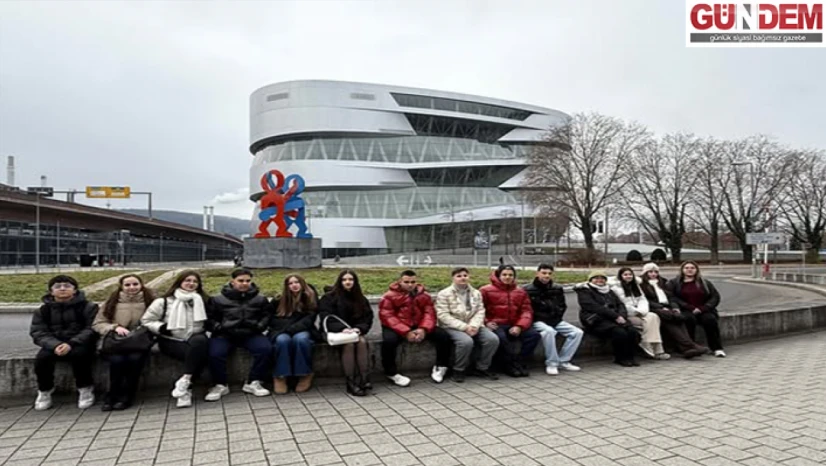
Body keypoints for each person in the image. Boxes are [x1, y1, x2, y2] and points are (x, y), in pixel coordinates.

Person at [141, 270, 210, 408]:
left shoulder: (203, 300)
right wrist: (161, 328)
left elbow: (211, 320)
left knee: (199, 344)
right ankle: (186, 388)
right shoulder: (163, 301)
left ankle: (185, 383)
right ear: (179, 282)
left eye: (195, 281)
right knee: (198, 356)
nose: (191, 284)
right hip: (170, 339)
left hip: (196, 337)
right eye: (187, 281)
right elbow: (146, 320)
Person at [30, 275, 99, 411]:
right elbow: (38, 332)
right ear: (51, 291)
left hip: (79, 343)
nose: (62, 289)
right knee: (42, 359)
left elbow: (92, 329)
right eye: (57, 286)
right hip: (54, 344)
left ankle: (85, 389)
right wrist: (55, 345)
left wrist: (71, 343)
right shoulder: (43, 311)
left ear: (75, 290)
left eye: (67, 286)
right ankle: (45, 391)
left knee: (80, 356)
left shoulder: (89, 307)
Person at [205, 268, 273, 401]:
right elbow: (210, 319)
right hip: (225, 334)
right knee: (215, 353)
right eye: (240, 280)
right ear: (232, 281)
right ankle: (220, 384)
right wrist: (219, 328)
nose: (244, 283)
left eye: (247, 281)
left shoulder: (260, 299)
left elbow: (266, 315)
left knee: (266, 349)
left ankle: (254, 381)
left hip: (251, 333)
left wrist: (259, 326)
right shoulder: (218, 299)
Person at [93, 274, 156, 411]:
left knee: (135, 360)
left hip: (138, 342)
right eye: (127, 285)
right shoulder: (111, 302)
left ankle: (128, 395)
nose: (131, 287)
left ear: (141, 285)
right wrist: (114, 327)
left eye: (135, 284)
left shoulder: (151, 301)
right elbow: (98, 323)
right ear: (121, 286)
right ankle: (112, 395)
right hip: (116, 343)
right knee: (117, 361)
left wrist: (144, 329)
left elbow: (158, 320)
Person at [379, 270, 453, 386]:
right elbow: (387, 316)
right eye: (406, 282)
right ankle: (391, 372)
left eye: (412, 282)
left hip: (419, 324)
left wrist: (423, 328)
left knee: (443, 336)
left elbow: (429, 313)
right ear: (400, 281)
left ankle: (441, 366)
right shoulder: (389, 296)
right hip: (396, 326)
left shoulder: (424, 295)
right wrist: (406, 331)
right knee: (389, 341)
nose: (410, 285)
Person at [435, 267, 499, 383]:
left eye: (465, 275)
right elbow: (443, 315)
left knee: (492, 339)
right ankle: (458, 370)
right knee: (465, 342)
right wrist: (464, 327)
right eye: (459, 276)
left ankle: (482, 367)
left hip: (473, 325)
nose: (462, 278)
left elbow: (480, 311)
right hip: (452, 326)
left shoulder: (476, 293)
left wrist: (474, 326)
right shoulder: (444, 294)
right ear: (453, 278)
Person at [319, 269, 374, 396]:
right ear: (340, 281)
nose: (347, 282)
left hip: (355, 332)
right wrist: (341, 329)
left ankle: (364, 379)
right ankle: (351, 382)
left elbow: (367, 317)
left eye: (350, 279)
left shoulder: (360, 298)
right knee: (349, 344)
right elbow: (325, 316)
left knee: (361, 341)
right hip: (336, 332)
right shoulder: (329, 298)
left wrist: (359, 328)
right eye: (344, 280)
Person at [480, 265, 541, 377]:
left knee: (534, 335)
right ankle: (508, 365)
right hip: (496, 324)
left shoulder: (521, 292)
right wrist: (486, 322)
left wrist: (519, 326)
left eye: (510, 275)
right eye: (504, 275)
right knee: (502, 339)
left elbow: (526, 311)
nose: (507, 277)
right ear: (498, 276)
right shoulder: (485, 290)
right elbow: (478, 309)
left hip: (514, 323)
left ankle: (519, 362)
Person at [523, 264, 583, 376]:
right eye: (544, 273)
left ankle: (564, 360)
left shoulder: (557, 288)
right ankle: (552, 363)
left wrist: (557, 316)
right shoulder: (527, 289)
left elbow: (562, 305)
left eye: (549, 273)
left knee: (577, 332)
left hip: (554, 319)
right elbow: (528, 309)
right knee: (549, 332)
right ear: (537, 273)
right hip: (537, 320)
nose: (547, 276)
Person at [639, 263, 708, 359]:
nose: (653, 274)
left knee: (678, 317)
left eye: (656, 272)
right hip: (654, 308)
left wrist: (675, 307)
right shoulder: (641, 284)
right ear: (645, 273)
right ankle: (690, 346)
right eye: (650, 272)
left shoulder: (663, 282)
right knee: (670, 318)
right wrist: (661, 307)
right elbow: (645, 300)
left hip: (667, 306)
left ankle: (687, 349)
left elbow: (671, 297)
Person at [576, 271, 641, 367]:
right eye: (596, 278)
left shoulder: (609, 291)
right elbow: (594, 307)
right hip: (596, 320)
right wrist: (616, 316)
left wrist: (622, 316)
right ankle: (620, 358)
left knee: (632, 331)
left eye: (602, 278)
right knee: (619, 332)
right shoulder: (585, 291)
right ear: (591, 280)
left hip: (613, 319)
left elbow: (620, 304)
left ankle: (630, 357)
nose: (599, 280)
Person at [270, 274, 318, 394]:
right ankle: (281, 376)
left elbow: (310, 319)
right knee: (282, 341)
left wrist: (293, 328)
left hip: (302, 330)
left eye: (296, 282)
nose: (294, 285)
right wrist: (286, 328)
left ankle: (304, 374)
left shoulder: (310, 297)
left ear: (302, 283)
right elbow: (271, 318)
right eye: (290, 283)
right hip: (281, 330)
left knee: (300, 340)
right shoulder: (278, 300)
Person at [667, 261, 726, 357]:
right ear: (682, 270)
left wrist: (704, 308)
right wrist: (688, 307)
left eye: (692, 268)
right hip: (686, 310)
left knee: (710, 320)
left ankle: (717, 348)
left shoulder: (705, 283)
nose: (689, 270)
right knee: (689, 320)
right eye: (686, 268)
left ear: (696, 270)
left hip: (703, 309)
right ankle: (691, 347)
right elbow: (672, 297)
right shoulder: (674, 283)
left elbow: (715, 297)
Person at [610, 268, 670, 360]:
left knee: (654, 316)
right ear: (621, 276)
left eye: (630, 274)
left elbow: (643, 300)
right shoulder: (615, 288)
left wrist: (642, 310)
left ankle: (647, 343)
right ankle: (658, 350)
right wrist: (635, 311)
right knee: (648, 323)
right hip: (628, 314)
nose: (628, 276)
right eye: (625, 274)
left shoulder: (636, 286)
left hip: (642, 312)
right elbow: (621, 304)